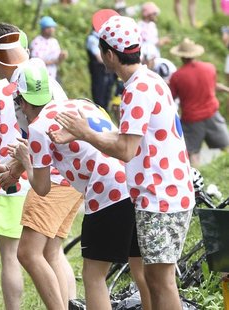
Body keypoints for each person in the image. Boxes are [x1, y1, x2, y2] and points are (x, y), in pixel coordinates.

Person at [51, 10, 195, 310]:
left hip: (160, 196)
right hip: (165, 192)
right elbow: (133, 139)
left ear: (110, 55)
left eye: (101, 50)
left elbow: (125, 149)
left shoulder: (136, 89)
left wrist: (85, 132)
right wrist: (81, 134)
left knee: (161, 281)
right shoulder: (151, 80)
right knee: (153, 279)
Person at [8, 61, 150, 310]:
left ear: (22, 101)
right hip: (135, 183)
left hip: (106, 194)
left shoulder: (38, 128)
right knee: (141, 272)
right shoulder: (82, 104)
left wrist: (24, 161)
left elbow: (42, 188)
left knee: (93, 276)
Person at [0, 25, 77, 310]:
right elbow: (34, 141)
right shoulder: (40, 75)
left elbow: (36, 140)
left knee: (26, 254)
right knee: (52, 252)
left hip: (52, 177)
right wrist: (12, 169)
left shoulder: (13, 86)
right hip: (70, 176)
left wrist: (7, 168)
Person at [168, 38, 229, 168]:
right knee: (226, 146)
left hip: (192, 120)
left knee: (192, 153)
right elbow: (211, 86)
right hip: (212, 114)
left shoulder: (177, 76)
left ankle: (199, 178)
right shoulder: (209, 68)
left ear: (181, 57)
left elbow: (171, 97)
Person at [86, 26, 117, 110]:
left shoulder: (105, 39)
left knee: (107, 94)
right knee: (99, 95)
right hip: (98, 71)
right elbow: (99, 58)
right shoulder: (92, 39)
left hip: (108, 71)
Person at [30, 16, 68, 80]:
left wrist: (62, 57)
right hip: (39, 79)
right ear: (43, 29)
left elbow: (58, 62)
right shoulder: (37, 42)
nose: (52, 29)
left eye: (53, 27)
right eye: (49, 27)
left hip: (53, 77)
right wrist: (55, 61)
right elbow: (36, 62)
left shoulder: (54, 42)